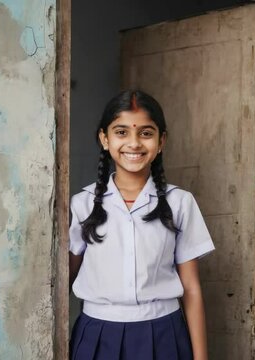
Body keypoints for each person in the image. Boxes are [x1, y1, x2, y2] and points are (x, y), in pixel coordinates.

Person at [69, 90, 215, 360]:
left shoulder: (180, 203)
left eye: (146, 133)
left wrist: (201, 358)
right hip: (97, 335)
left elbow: (192, 288)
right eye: (121, 132)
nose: (134, 143)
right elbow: (62, 280)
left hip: (163, 333)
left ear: (161, 141)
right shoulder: (82, 205)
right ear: (104, 139)